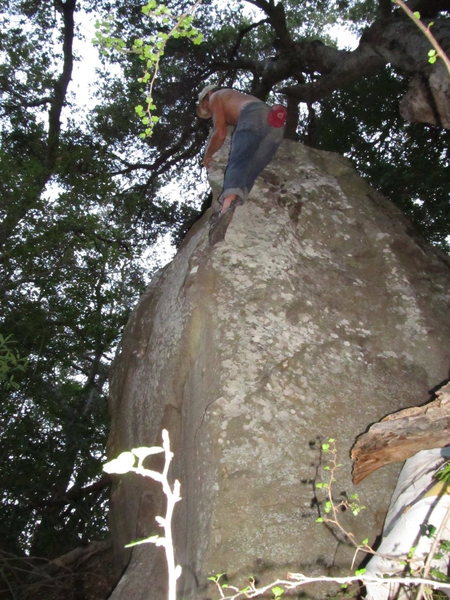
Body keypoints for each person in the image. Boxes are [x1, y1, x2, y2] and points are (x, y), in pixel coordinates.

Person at [196, 86, 286, 240]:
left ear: (208, 95)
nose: (211, 112)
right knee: (251, 167)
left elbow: (220, 133)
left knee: (239, 159)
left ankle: (225, 209)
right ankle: (235, 200)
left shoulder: (215, 96)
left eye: (206, 107)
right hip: (275, 124)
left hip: (253, 115)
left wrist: (208, 154)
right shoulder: (237, 97)